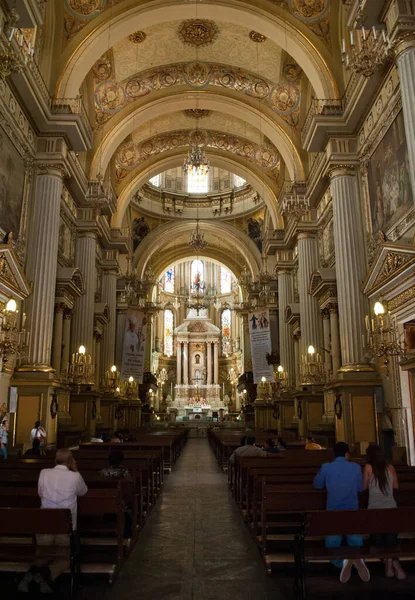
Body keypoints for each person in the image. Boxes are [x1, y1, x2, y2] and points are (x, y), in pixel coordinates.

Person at [18, 449, 88, 593]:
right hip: (65, 526)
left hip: (44, 522)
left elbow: (40, 493)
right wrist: (75, 471)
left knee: (42, 555)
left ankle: (30, 576)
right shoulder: (75, 476)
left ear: (55, 461)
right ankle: (45, 575)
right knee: (66, 557)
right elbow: (83, 491)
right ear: (70, 462)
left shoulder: (44, 473)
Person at [313, 442, 369, 584]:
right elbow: (360, 488)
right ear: (347, 454)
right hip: (352, 510)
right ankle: (357, 558)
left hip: (333, 511)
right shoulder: (356, 467)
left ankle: (340, 562)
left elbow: (317, 485)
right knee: (355, 539)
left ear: (334, 454)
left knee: (332, 542)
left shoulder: (326, 467)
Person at [363, 445, 406, 580]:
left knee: (378, 540)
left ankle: (388, 562)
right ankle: (393, 562)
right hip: (391, 509)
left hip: (374, 510)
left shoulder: (368, 468)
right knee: (391, 540)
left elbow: (364, 488)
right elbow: (396, 487)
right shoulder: (390, 468)